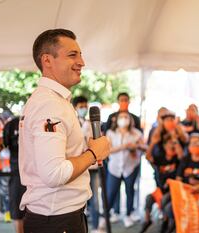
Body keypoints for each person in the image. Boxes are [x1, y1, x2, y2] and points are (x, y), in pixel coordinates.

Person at [19, 28, 110, 233]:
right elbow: (54, 173)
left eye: (80, 54)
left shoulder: (53, 100)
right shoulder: (49, 104)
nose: (81, 62)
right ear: (47, 60)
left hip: (59, 217)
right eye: (72, 55)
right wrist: (94, 153)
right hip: (56, 219)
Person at [106, 111, 145, 228]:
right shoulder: (111, 133)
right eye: (121, 117)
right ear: (117, 119)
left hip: (130, 167)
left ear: (130, 120)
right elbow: (108, 150)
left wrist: (136, 146)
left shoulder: (136, 133)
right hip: (114, 168)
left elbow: (144, 147)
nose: (124, 119)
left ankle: (128, 214)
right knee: (111, 192)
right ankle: (107, 216)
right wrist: (124, 146)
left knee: (130, 191)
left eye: (126, 117)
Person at [72, 95, 103, 233]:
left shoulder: (91, 124)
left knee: (95, 198)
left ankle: (96, 227)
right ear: (75, 108)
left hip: (93, 167)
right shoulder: (72, 123)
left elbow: (97, 141)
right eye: (81, 107)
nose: (84, 109)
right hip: (78, 167)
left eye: (85, 106)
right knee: (79, 199)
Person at [3, 116, 26, 233]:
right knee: (18, 211)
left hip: (35, 173)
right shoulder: (11, 125)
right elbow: (0, 146)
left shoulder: (40, 121)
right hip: (17, 173)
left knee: (36, 210)